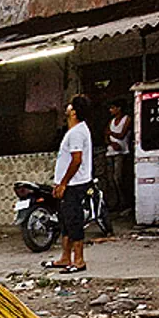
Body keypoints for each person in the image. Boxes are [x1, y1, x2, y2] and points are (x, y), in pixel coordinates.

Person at [45, 94, 93, 274]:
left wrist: (64, 183)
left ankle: (79, 260)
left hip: (74, 184)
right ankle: (65, 257)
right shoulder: (75, 131)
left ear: (74, 111)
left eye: (70, 105)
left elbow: (76, 160)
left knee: (74, 221)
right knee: (65, 221)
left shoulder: (77, 133)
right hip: (68, 184)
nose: (67, 107)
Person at [105, 99, 132, 213]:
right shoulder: (111, 121)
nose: (111, 110)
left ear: (119, 108)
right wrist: (111, 143)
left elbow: (121, 135)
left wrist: (110, 133)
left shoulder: (127, 119)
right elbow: (105, 136)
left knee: (119, 178)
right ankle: (117, 202)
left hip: (122, 152)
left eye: (113, 107)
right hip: (111, 152)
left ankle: (125, 202)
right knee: (111, 179)